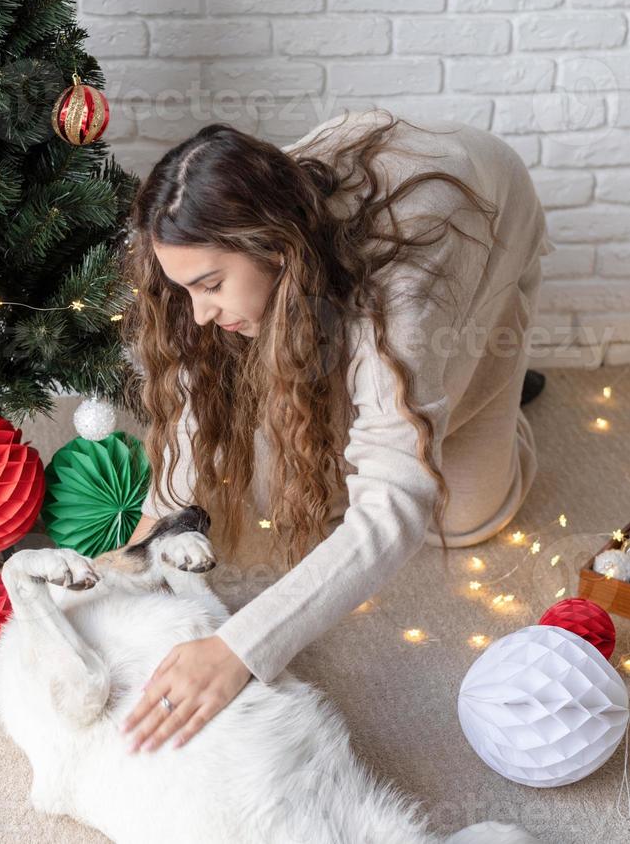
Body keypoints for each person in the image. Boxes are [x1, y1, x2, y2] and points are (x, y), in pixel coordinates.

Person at [116, 107, 556, 756]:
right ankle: (421, 397)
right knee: (303, 444)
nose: (199, 313)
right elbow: (189, 392)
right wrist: (147, 541)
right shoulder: (222, 226)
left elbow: (396, 505)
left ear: (273, 250)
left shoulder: (405, 294)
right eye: (186, 290)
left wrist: (240, 646)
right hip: (357, 256)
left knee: (461, 516)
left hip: (487, 223)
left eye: (209, 286)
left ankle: (483, 386)